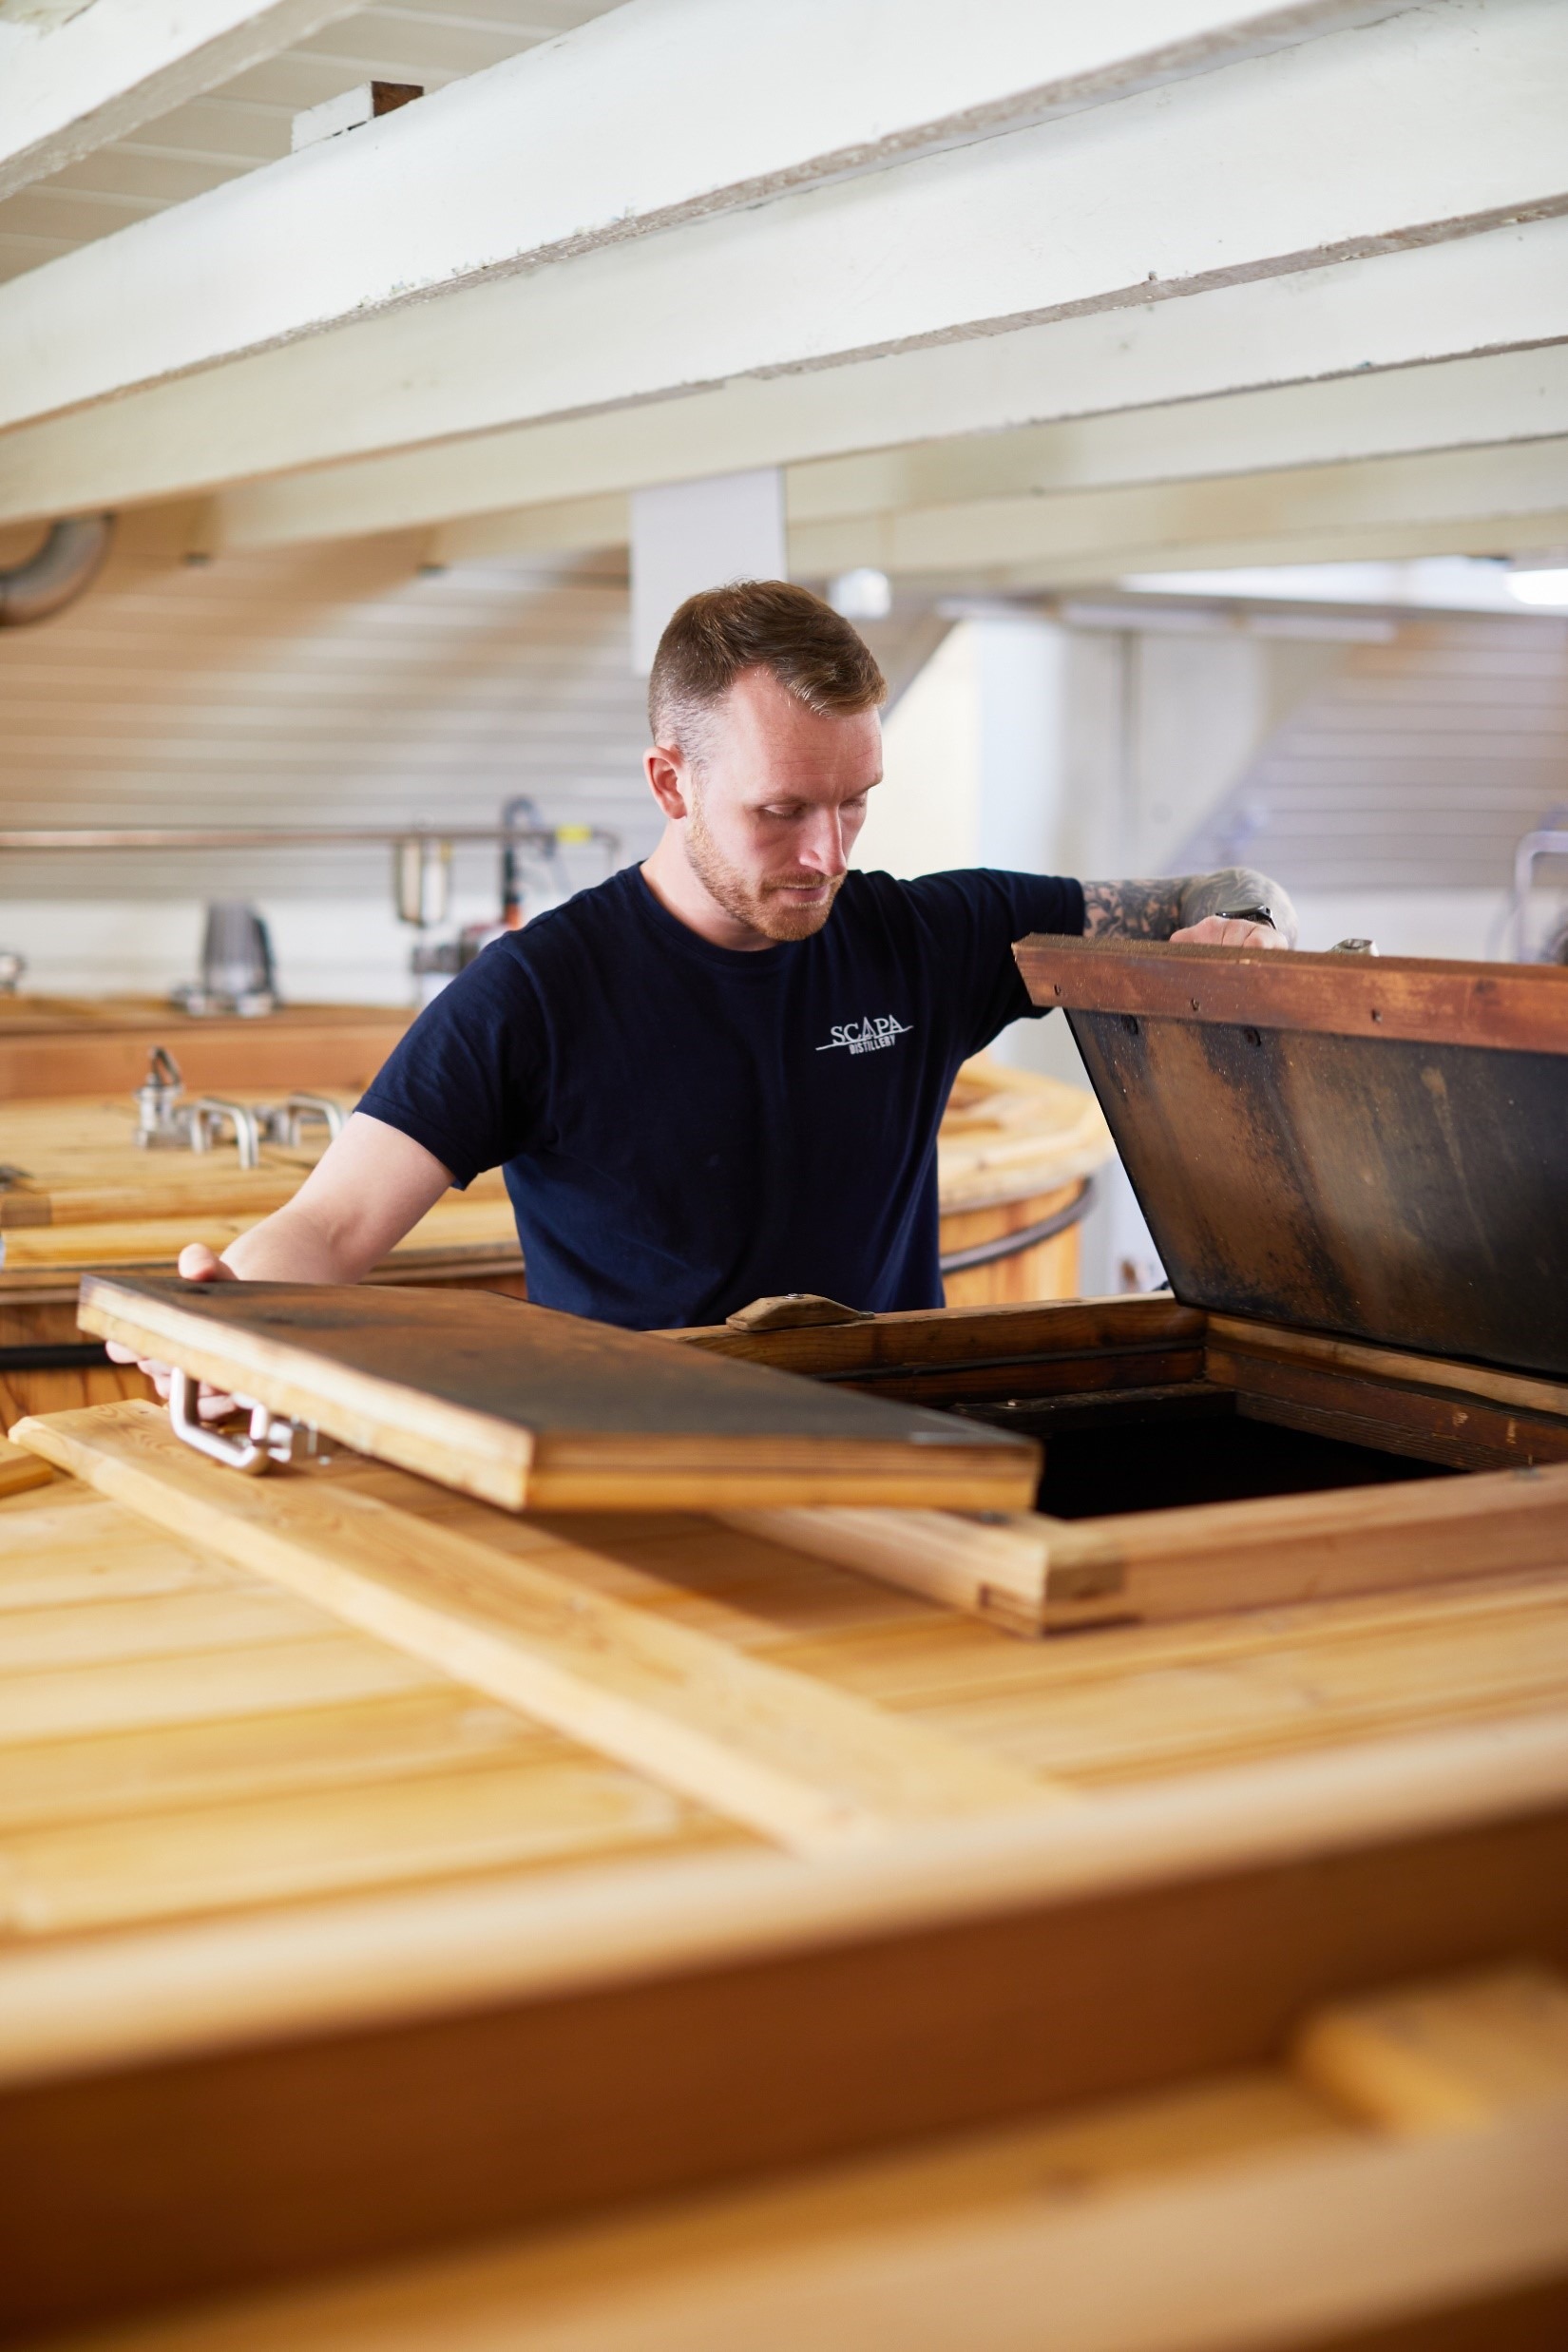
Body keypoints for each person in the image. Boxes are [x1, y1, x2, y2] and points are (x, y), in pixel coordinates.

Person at [112, 582, 1295, 1397]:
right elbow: (328, 1225)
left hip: (916, 1446)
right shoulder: (536, 993)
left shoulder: (931, 937)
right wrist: (217, 1322)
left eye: (856, 801)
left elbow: (1217, 891)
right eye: (783, 811)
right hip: (642, 1471)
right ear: (670, 783)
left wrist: (1243, 929)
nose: (829, 853)